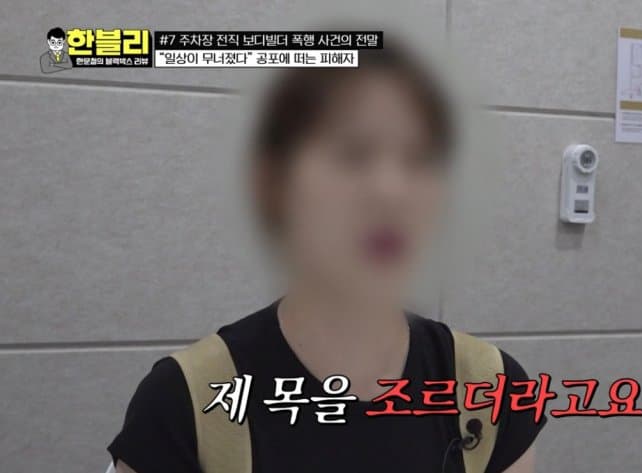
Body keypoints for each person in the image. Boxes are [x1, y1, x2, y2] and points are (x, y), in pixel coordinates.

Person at [108, 41, 545, 473]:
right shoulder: (187, 402)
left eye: (419, 159)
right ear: (274, 186)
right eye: (352, 154)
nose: (390, 191)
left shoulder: (490, 388)